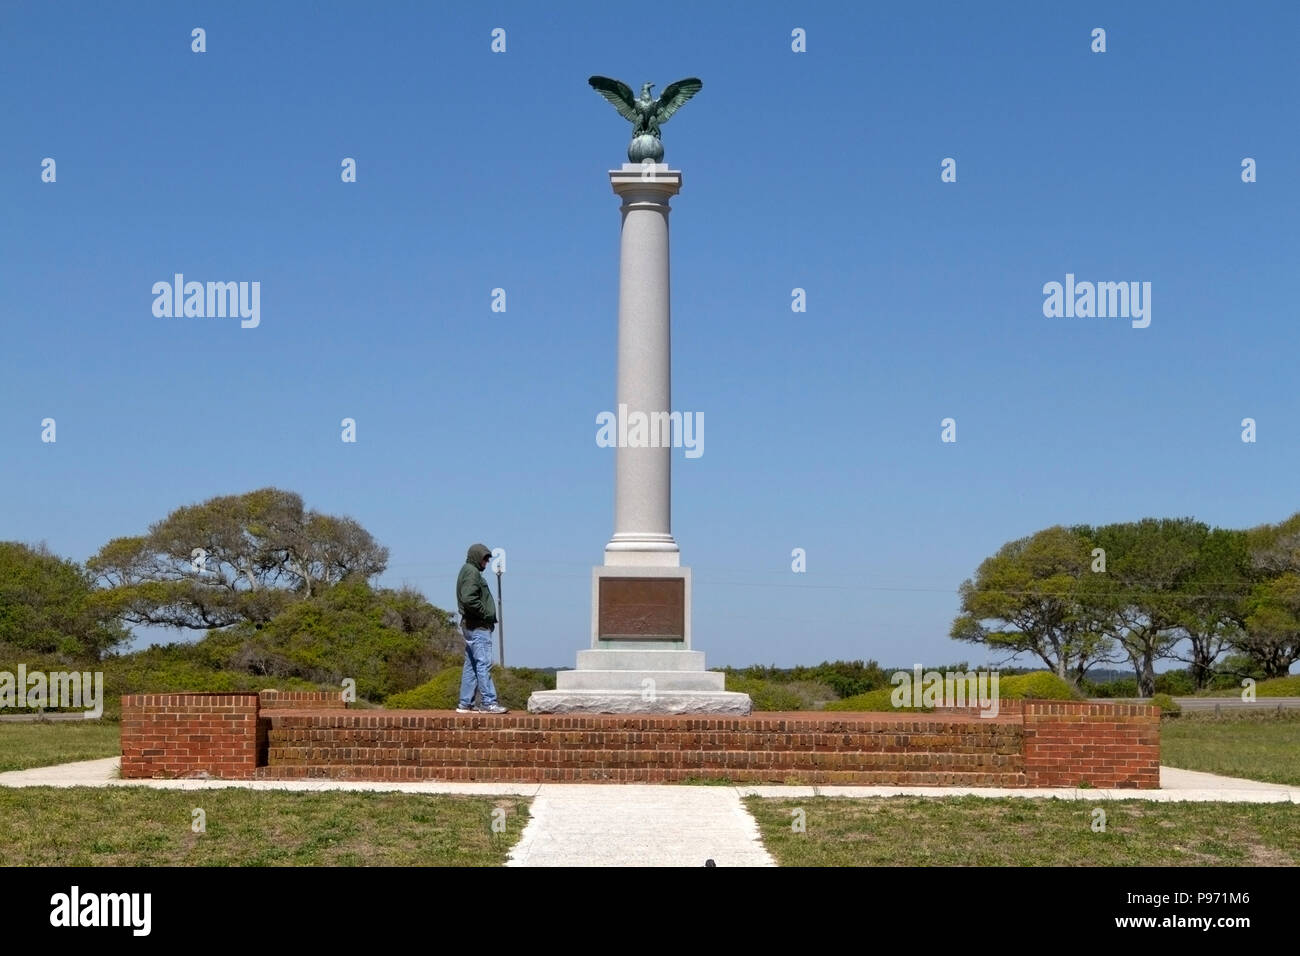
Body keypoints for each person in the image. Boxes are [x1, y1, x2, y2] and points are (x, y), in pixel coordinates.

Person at [455, 543, 507, 714]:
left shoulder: (467, 570)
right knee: (483, 663)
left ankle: (465, 703)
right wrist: (485, 614)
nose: (486, 562)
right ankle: (488, 702)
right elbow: (469, 599)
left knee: (471, 664)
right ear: (477, 557)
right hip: (478, 626)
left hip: (470, 625)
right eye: (484, 558)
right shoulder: (471, 572)